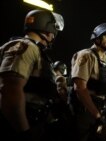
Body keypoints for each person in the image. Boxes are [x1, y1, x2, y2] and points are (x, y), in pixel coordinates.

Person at [0, 9, 64, 141]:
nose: (54, 35)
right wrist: (24, 132)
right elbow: (10, 91)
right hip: (20, 124)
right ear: (47, 27)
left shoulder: (36, 50)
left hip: (33, 120)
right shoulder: (26, 46)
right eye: (53, 29)